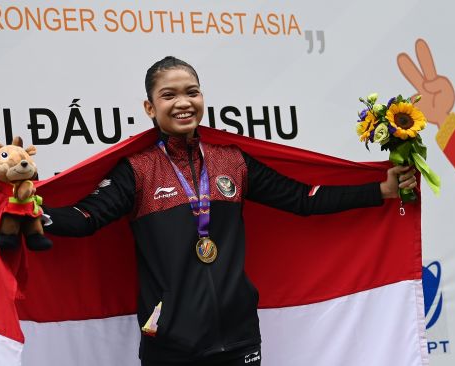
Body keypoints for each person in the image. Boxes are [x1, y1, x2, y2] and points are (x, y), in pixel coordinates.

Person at [43, 56, 417, 366]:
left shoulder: (232, 162)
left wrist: (379, 190)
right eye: (168, 95)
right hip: (171, 345)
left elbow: (304, 199)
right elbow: (85, 218)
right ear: (150, 107)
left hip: (239, 339)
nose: (183, 102)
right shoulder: (138, 171)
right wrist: (32, 212)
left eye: (192, 92)